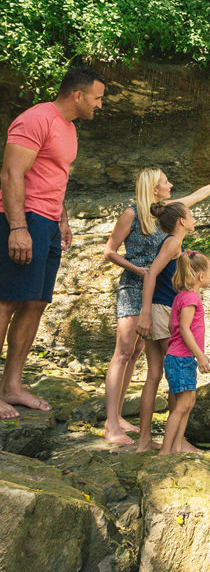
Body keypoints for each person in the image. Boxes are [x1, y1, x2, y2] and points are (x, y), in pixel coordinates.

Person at [101, 166, 210, 445]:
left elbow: (195, 202)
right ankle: (113, 425)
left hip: (155, 289)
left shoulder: (164, 212)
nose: (171, 184)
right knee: (124, 352)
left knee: (137, 353)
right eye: (166, 182)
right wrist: (140, 271)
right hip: (136, 286)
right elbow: (110, 251)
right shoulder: (132, 214)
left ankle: (121, 418)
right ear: (153, 188)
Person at [0, 67, 105, 420]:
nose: (100, 105)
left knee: (34, 303)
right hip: (21, 219)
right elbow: (11, 174)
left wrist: (61, 219)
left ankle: (12, 386)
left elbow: (53, 176)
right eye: (97, 97)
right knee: (6, 302)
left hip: (46, 223)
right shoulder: (35, 119)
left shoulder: (70, 129)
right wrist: (17, 227)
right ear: (78, 95)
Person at [134, 201, 210, 452]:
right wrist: (145, 313)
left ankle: (157, 441)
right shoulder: (172, 243)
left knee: (158, 375)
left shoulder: (178, 246)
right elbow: (151, 274)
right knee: (168, 374)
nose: (193, 217)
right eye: (190, 214)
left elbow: (193, 267)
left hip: (165, 308)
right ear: (181, 221)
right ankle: (170, 444)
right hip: (161, 309)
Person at [160, 250, 210, 455]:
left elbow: (170, 325)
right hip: (181, 358)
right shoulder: (191, 298)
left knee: (188, 402)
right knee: (181, 406)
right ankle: (165, 451)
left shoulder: (182, 296)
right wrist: (199, 355)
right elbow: (184, 328)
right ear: (201, 276)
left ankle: (176, 447)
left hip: (182, 358)